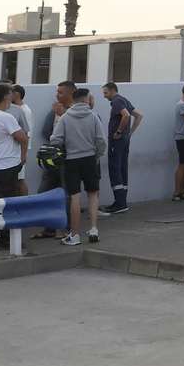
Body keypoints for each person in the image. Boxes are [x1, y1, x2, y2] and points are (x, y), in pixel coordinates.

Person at [50, 88, 106, 245]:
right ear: (86, 100)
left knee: (75, 196)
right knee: (93, 194)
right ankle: (94, 228)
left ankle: (74, 234)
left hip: (72, 160)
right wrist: (97, 156)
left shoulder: (65, 118)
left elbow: (55, 140)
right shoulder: (93, 116)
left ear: (73, 100)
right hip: (90, 159)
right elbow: (101, 140)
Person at [0, 86, 28, 211]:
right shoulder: (6, 117)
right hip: (6, 164)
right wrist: (23, 156)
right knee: (7, 202)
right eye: (10, 96)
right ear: (5, 98)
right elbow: (23, 138)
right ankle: (6, 230)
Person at [101, 82, 141, 214]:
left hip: (117, 141)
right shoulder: (125, 100)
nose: (104, 96)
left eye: (106, 93)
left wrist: (118, 131)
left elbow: (127, 115)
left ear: (113, 91)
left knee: (115, 169)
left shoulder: (117, 101)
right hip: (125, 139)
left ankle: (120, 202)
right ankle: (121, 200)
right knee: (123, 168)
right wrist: (130, 132)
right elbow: (138, 115)